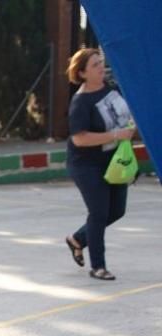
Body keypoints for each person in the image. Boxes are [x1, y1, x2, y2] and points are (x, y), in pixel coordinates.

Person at [63, 47, 135, 281]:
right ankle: (98, 266)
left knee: (117, 210)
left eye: (101, 62)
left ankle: (78, 239)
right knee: (99, 212)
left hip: (114, 161)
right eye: (95, 65)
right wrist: (116, 135)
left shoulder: (112, 88)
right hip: (86, 165)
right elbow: (79, 138)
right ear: (82, 73)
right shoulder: (81, 103)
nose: (101, 68)